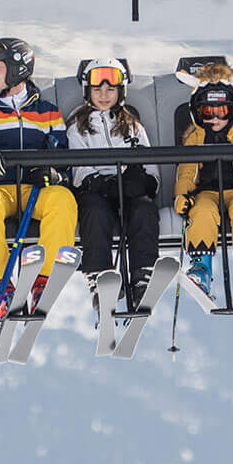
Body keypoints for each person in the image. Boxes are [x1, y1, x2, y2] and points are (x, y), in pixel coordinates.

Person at [0, 36, 77, 315]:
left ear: (17, 72)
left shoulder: (46, 110)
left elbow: (60, 147)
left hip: (34, 190)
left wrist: (54, 174)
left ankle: (44, 280)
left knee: (62, 199)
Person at [63, 57, 160, 306]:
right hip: (97, 191)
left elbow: (151, 164)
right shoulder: (78, 126)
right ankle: (100, 275)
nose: (104, 95)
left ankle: (142, 275)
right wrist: (102, 185)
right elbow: (79, 169)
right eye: (97, 90)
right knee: (95, 213)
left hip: (128, 189)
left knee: (144, 209)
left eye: (110, 90)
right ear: (88, 92)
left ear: (121, 91)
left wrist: (145, 181)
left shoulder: (132, 125)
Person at [174, 63, 233, 298]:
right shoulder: (195, 139)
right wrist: (183, 195)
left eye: (222, 112)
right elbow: (187, 172)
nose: (215, 119)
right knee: (202, 212)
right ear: (197, 112)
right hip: (205, 192)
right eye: (208, 112)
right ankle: (201, 265)